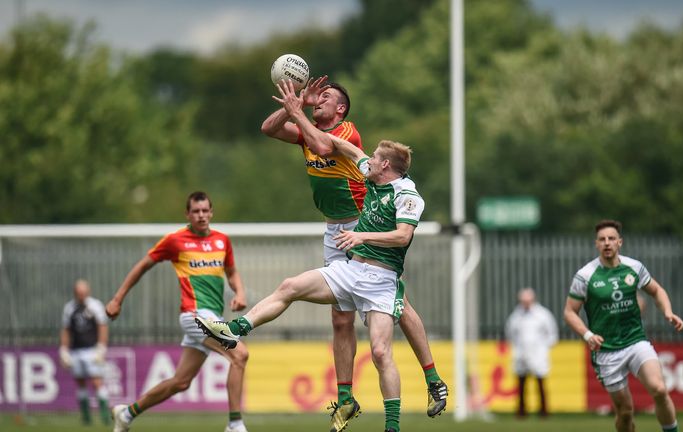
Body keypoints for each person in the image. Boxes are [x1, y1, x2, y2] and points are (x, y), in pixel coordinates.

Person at [198, 134, 423, 432]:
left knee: (381, 353)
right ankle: (235, 329)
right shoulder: (373, 175)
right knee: (291, 286)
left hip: (382, 281)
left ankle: (392, 426)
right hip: (353, 270)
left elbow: (403, 236)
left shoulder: (407, 194)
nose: (367, 159)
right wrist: (303, 122)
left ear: (384, 164)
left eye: (374, 157)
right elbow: (348, 147)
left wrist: (361, 236)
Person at [261, 77, 448, 428]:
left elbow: (323, 145)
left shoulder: (347, 131)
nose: (319, 101)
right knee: (339, 317)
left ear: (341, 109)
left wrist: (298, 113)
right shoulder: (309, 126)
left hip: (363, 227)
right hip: (335, 230)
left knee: (399, 305)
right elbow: (268, 128)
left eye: (326, 97)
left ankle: (433, 378)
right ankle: (346, 399)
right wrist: (296, 103)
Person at [106, 191, 250, 432]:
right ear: (188, 214)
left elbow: (232, 272)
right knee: (240, 355)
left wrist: (241, 293)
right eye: (196, 211)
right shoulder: (175, 241)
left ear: (211, 212)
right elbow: (143, 265)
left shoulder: (222, 240)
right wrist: (117, 298)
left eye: (205, 210)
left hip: (213, 317)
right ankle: (235, 424)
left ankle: (126, 414)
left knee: (181, 382)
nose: (201, 215)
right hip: (194, 315)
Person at [563, 219, 683, 432]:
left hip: (635, 341)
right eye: (602, 239)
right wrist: (587, 334)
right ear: (596, 244)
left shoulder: (634, 267)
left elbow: (657, 291)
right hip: (606, 351)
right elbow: (569, 312)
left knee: (659, 389)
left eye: (611, 239)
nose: (607, 243)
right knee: (626, 412)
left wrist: (667, 311)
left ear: (620, 242)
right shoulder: (585, 276)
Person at [60, 279, 111, 425]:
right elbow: (66, 329)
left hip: (92, 349)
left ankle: (104, 415)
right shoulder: (69, 308)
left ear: (87, 292)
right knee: (80, 382)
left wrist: (101, 347)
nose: (81, 295)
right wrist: (64, 350)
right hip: (76, 350)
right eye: (78, 293)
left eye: (83, 293)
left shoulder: (95, 306)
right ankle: (86, 417)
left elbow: (102, 326)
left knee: (96, 382)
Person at [504, 287, 558, 418]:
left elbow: (552, 334)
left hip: (538, 354)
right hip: (521, 353)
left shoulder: (543, 315)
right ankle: (521, 411)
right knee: (522, 384)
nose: (526, 303)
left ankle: (544, 411)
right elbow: (510, 333)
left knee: (540, 382)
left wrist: (543, 348)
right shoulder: (516, 316)